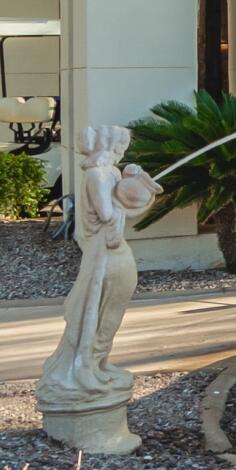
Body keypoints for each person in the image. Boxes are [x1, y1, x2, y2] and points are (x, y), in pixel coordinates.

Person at [37, 125, 162, 451]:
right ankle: (85, 369)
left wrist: (141, 188)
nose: (122, 149)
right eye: (120, 144)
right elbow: (109, 214)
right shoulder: (97, 176)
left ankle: (97, 363)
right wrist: (131, 189)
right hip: (104, 258)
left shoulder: (108, 172)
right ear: (109, 145)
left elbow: (125, 212)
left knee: (111, 313)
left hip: (116, 254)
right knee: (98, 311)